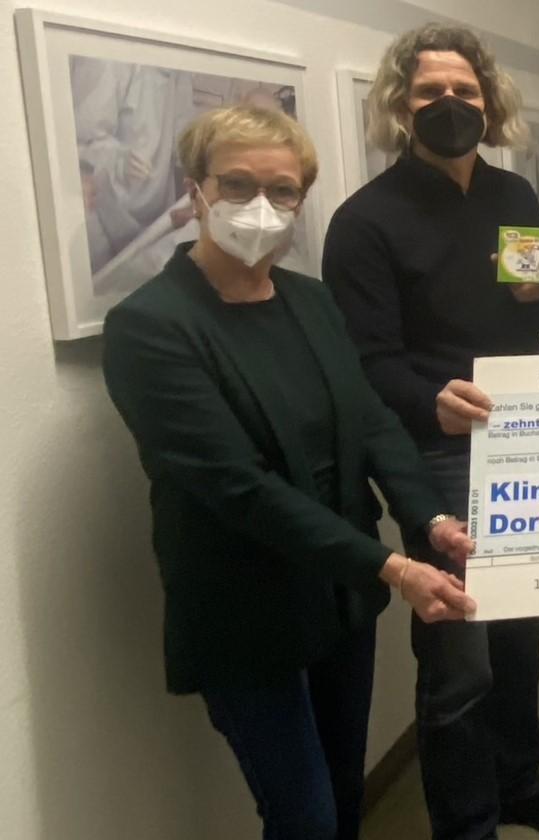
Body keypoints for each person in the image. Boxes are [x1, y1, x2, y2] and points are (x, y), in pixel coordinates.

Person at [101, 104, 477, 840]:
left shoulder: (310, 300)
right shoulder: (150, 326)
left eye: (282, 190)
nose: (260, 207)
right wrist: (394, 567)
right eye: (237, 185)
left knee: (343, 790)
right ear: (197, 191)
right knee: (303, 814)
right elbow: (236, 487)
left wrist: (431, 519)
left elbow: (368, 419)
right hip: (245, 605)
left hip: (339, 594)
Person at [322, 24, 539, 840]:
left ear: (490, 102)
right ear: (399, 108)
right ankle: (467, 822)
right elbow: (364, 363)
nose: (450, 105)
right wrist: (429, 402)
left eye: (465, 92)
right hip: (438, 453)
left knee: (523, 632)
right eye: (430, 93)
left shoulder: (514, 197)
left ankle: (520, 782)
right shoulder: (364, 221)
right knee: (459, 657)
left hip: (527, 440)